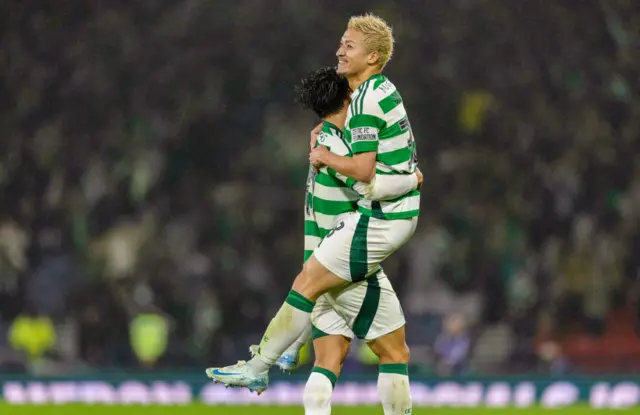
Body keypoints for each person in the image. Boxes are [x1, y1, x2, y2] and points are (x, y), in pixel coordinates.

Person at [207, 15, 418, 415]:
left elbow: (365, 173)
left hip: (373, 226)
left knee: (309, 293)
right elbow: (380, 175)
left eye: (349, 45)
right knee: (394, 350)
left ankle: (260, 364)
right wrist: (411, 179)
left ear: (372, 56)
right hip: (367, 229)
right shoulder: (367, 102)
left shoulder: (350, 119)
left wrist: (328, 156)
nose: (340, 50)